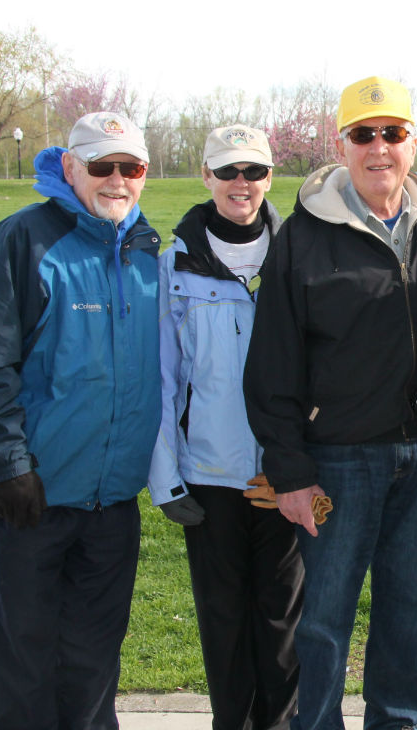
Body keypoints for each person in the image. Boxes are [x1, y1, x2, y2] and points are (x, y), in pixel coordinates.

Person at [243, 76, 417, 730]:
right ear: (340, 145)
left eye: (392, 133)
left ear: (413, 143)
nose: (378, 149)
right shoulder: (303, 236)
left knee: (412, 617)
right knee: (323, 624)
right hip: (336, 460)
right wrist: (289, 470)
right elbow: (272, 364)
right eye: (363, 135)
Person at [0, 112, 160, 729]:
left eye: (131, 167)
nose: (117, 180)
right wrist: (9, 467)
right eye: (102, 166)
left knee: (91, 673)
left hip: (111, 507)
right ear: (70, 167)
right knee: (21, 675)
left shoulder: (148, 253)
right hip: (30, 504)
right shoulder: (24, 240)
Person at [149, 124, 302, 729]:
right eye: (228, 171)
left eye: (255, 172)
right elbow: (161, 379)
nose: (243, 184)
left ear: (271, 176)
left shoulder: (298, 257)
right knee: (223, 623)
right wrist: (167, 481)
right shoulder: (175, 266)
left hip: (284, 477)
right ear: (206, 176)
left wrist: (308, 470)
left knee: (282, 626)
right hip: (208, 480)